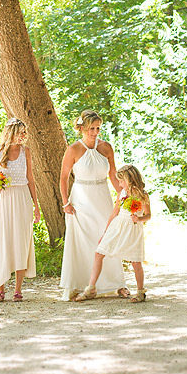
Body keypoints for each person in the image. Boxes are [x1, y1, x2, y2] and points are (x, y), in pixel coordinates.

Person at [59, 109, 129, 301]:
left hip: (102, 197)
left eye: (98, 128)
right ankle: (81, 284)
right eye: (91, 128)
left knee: (107, 237)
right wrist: (65, 203)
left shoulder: (106, 148)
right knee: (81, 242)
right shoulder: (73, 149)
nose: (95, 132)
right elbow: (64, 177)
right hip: (80, 200)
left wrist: (123, 196)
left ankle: (117, 283)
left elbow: (114, 176)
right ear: (81, 128)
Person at [74, 164, 151, 303]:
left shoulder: (142, 195)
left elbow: (148, 215)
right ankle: (91, 288)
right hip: (117, 226)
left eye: (121, 181)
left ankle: (140, 292)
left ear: (130, 180)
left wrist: (139, 219)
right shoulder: (121, 194)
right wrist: (105, 233)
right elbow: (114, 213)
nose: (120, 184)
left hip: (132, 229)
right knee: (99, 253)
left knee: (136, 262)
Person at [0, 117, 41, 302]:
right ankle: (0, 289)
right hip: (3, 200)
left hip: (22, 197)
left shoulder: (26, 152)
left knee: (21, 241)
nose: (23, 136)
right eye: (20, 133)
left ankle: (18, 289)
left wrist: (36, 206)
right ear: (10, 133)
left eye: (25, 132)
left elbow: (30, 179)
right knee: (3, 241)